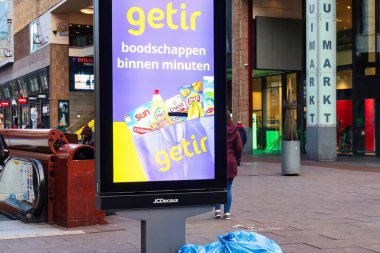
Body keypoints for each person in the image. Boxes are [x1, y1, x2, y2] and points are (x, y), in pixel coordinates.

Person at [215, 114, 243, 220]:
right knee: (228, 188)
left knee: (217, 187)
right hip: (230, 161)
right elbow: (239, 147)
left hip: (218, 162)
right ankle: (227, 212)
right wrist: (234, 157)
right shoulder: (234, 131)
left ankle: (217, 211)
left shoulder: (216, 130)